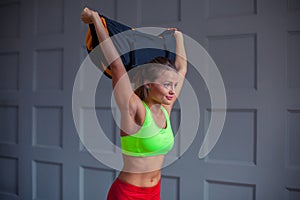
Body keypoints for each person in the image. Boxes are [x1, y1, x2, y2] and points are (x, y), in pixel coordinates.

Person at [81, 7, 187, 200]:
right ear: (148, 83)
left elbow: (182, 68)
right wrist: (96, 20)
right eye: (166, 84)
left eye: (174, 85)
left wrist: (178, 36)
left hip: (154, 192)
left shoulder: (165, 110)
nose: (172, 90)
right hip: (127, 194)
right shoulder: (135, 109)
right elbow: (116, 65)